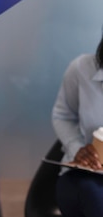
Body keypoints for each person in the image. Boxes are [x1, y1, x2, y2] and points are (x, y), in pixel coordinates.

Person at [52, 29, 103, 217]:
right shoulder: (81, 68)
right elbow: (62, 116)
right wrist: (77, 147)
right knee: (96, 199)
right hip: (84, 176)